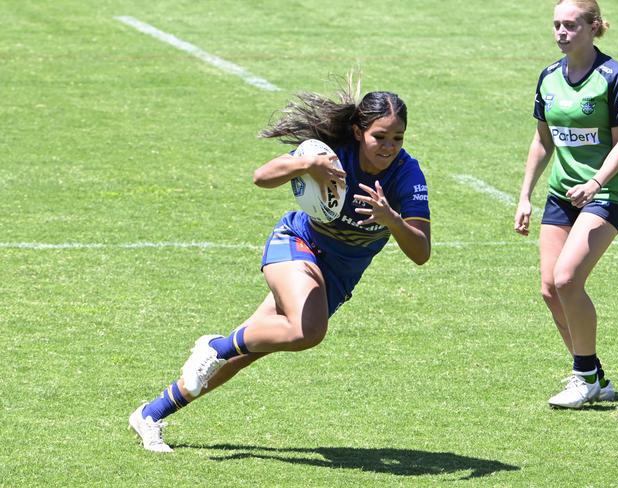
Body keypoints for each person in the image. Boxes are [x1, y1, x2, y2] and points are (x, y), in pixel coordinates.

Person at [129, 80, 431, 451]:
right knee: (307, 331)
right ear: (358, 131)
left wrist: (392, 220)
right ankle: (216, 345)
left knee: (246, 352)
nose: (388, 147)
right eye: (380, 137)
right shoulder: (333, 154)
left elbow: (421, 252)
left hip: (336, 277)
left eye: (397, 139)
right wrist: (307, 165)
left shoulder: (407, 175)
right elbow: (261, 177)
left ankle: (150, 414)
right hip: (297, 244)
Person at [514, 0, 618, 408]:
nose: (561, 33)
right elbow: (542, 139)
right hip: (561, 195)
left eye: (570, 25)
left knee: (568, 279)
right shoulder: (549, 76)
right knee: (551, 289)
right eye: (556, 25)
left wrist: (596, 181)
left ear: (593, 27)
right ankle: (592, 375)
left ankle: (583, 378)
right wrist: (524, 197)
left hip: (606, 195)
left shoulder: (613, 78)